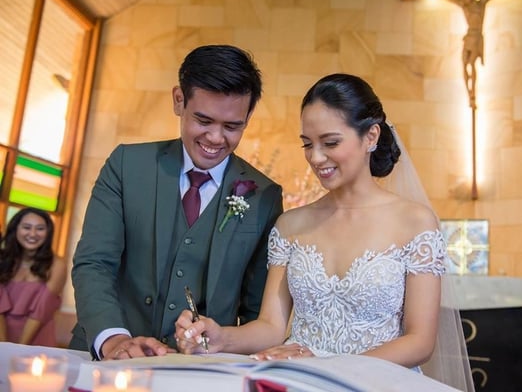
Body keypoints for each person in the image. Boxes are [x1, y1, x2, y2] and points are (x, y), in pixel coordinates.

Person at [175, 73, 475, 391]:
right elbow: (271, 326)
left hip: (378, 383)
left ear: (371, 136)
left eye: (330, 143)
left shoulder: (415, 223)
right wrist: (221, 337)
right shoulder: (291, 225)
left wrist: (328, 367)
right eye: (308, 144)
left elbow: (420, 341)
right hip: (301, 383)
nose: (316, 158)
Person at [69, 44, 284, 360]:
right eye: (203, 120)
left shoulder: (264, 195)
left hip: (202, 370)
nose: (215, 138)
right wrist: (113, 340)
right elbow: (94, 263)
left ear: (248, 117)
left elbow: (257, 311)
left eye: (231, 126)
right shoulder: (127, 165)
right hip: (107, 361)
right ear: (179, 100)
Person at [0, 207, 66, 346]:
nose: (33, 233)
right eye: (27, 227)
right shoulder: (3, 260)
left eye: (40, 229)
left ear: (48, 233)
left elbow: (41, 311)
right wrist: (4, 345)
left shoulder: (57, 265)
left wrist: (20, 347)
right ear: (15, 229)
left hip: (37, 338)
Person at [438, 0, 500, 109]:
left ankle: (473, 93)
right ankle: (469, 92)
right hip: (468, 37)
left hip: (476, 37)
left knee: (471, 63)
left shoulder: (481, 4)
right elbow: (452, 0)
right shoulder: (463, 5)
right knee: (464, 63)